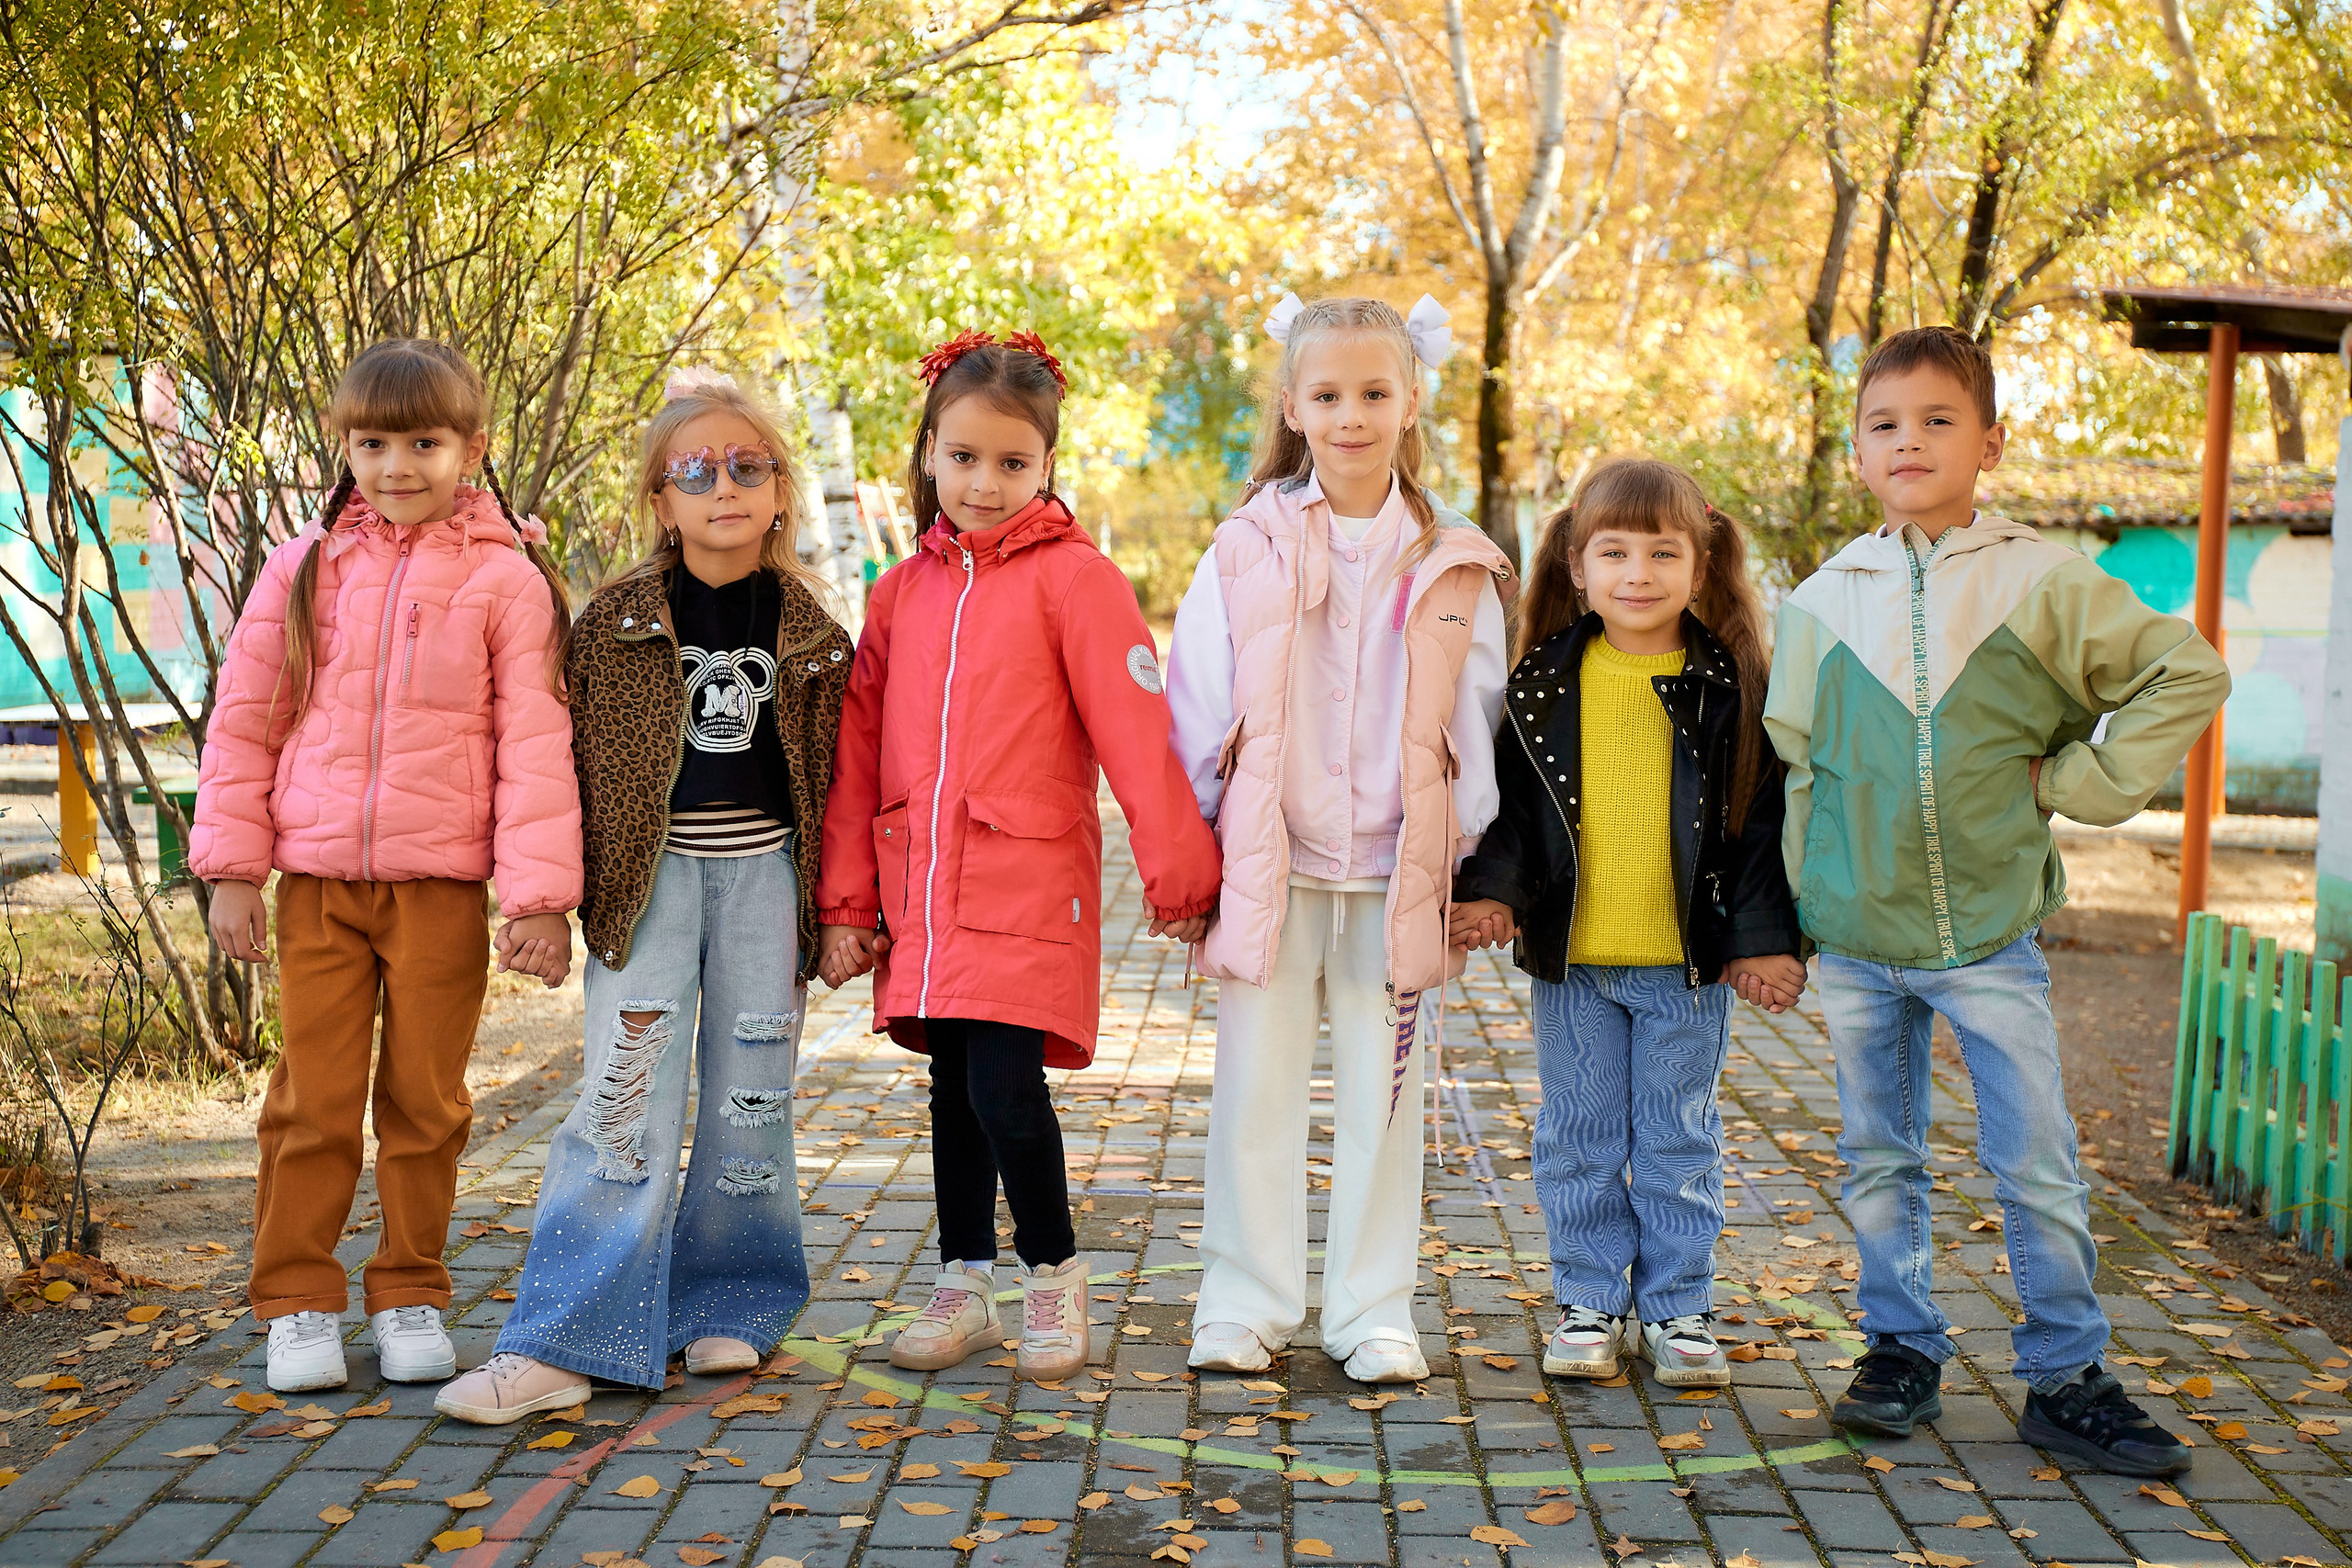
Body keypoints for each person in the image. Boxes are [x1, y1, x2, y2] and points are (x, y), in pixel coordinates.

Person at [1766, 325, 2227, 1475]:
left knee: (2035, 1161)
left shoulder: (2044, 580)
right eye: (1883, 424)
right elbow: (1796, 771)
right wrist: (1795, 915)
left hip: (1989, 939)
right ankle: (1898, 1352)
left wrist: (2081, 782)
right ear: (1857, 453)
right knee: (1879, 1158)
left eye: (1936, 420)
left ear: (1990, 443)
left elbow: (2188, 671)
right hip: (1856, 942)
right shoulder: (1820, 600)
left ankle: (2065, 1375)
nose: (1908, 441)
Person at [435, 370, 851, 1422]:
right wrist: (537, 902)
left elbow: (842, 782)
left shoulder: (812, 633)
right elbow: (564, 769)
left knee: (751, 1102)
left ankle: (731, 1304)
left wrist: (847, 913)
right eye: (696, 471)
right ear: (661, 501)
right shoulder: (613, 624)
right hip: (649, 890)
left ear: (780, 492)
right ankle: (567, 1340)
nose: (726, 486)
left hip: (767, 888)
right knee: (621, 1106)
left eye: (748, 466)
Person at [815, 330, 1220, 1382]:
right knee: (950, 1088)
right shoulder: (900, 593)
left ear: (1047, 464)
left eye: (1011, 462)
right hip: (922, 885)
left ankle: (1052, 1272)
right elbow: (859, 751)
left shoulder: (1075, 583)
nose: (983, 482)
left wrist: (1179, 872)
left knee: (1005, 1088)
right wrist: (848, 898)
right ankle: (964, 1279)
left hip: (1024, 876)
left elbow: (1138, 734)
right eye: (961, 458)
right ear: (928, 455)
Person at [193, 339, 580, 1393]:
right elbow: (246, 721)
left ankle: (410, 1290)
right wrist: (234, 868)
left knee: (425, 1100)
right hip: (316, 888)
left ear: (472, 448)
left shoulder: (507, 582)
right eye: (373, 442)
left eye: (423, 442)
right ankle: (299, 1303)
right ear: (344, 447)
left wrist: (537, 899)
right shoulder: (304, 566)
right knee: (311, 1101)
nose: (398, 465)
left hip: (440, 890)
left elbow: (536, 748)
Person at [1168, 292, 1510, 1385]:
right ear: (1292, 406)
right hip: (1273, 865)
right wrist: (1203, 847)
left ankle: (1373, 1311)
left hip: (1395, 876)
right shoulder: (1247, 544)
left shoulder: (1457, 561)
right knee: (1255, 1097)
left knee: (1385, 1101)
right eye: (1328, 394)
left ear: (1411, 403)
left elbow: (1481, 714)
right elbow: (1196, 697)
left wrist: (1465, 852)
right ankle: (1243, 1302)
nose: (1351, 414)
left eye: (1374, 392)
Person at [1451, 457, 1804, 1389]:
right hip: (1573, 966)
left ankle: (1680, 1308)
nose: (1637, 573)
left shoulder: (1729, 686)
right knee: (1579, 1135)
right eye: (1614, 552)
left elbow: (1754, 822)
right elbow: (1516, 813)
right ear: (1576, 566)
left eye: (1662, 552)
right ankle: (1589, 1302)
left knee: (1677, 1137)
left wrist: (1761, 940)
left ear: (1700, 565)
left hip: (1683, 969)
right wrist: (1490, 890)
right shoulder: (1544, 683)